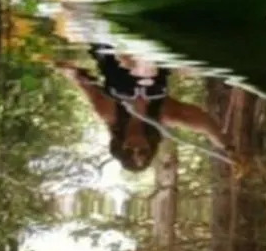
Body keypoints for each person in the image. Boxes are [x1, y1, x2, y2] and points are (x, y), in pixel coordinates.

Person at [55, 50, 232, 172]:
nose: (136, 149)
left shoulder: (108, 112)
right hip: (153, 52)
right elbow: (204, 125)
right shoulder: (163, 114)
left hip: (112, 49)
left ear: (120, 146)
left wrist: (63, 67)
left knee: (123, 61)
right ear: (150, 147)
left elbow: (82, 81)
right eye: (143, 152)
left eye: (129, 152)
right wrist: (228, 148)